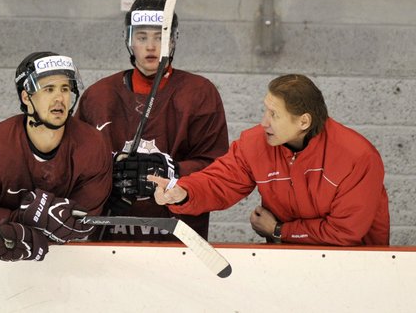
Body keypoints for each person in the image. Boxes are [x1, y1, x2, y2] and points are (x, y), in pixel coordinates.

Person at [149, 74, 390, 246]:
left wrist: (278, 230)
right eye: (265, 110)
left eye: (274, 114)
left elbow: (345, 232)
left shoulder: (357, 157)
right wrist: (184, 192)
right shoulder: (255, 143)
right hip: (285, 260)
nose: (264, 122)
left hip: (357, 268)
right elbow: (220, 181)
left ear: (303, 122)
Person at [76, 0, 229, 241]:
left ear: (173, 40)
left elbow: (219, 167)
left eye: (160, 37)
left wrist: (174, 170)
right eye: (142, 37)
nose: (150, 46)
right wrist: (104, 182)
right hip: (109, 234)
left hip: (179, 235)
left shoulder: (200, 93)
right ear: (129, 41)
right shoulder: (98, 96)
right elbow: (75, 165)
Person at [0, 51, 113, 261]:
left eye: (65, 89)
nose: (60, 98)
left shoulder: (92, 145)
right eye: (49, 89)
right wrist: (19, 221)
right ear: (26, 97)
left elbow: (83, 219)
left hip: (53, 260)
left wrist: (36, 224)